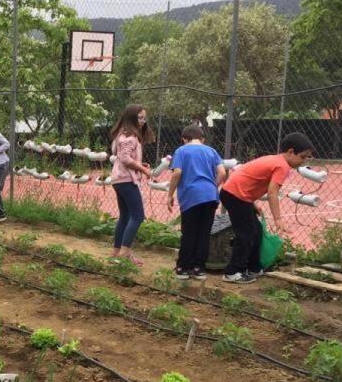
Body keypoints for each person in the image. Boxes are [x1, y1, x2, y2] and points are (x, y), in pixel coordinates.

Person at [219, 132, 313, 283]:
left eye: (307, 157)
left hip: (237, 194)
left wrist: (252, 203)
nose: (304, 161)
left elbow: (248, 180)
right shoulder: (282, 166)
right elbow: (272, 192)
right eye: (302, 156)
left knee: (256, 230)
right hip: (235, 195)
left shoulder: (275, 160)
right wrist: (278, 219)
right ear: (290, 152)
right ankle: (232, 272)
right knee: (246, 234)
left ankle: (253, 267)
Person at [166, 125, 226, 279]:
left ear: (184, 139)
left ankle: (183, 267)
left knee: (189, 232)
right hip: (211, 196)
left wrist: (170, 194)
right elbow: (222, 172)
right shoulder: (211, 151)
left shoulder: (181, 150)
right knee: (204, 232)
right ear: (202, 139)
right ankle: (199, 268)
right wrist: (212, 185)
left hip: (191, 196)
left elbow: (177, 172)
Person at [109, 104, 153, 265]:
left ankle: (116, 252)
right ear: (131, 118)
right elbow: (125, 159)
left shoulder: (122, 135)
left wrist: (141, 165)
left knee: (125, 216)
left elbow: (125, 157)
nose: (143, 121)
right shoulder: (129, 137)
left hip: (119, 179)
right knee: (138, 216)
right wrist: (143, 169)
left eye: (144, 118)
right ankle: (125, 253)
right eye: (140, 117)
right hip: (126, 180)